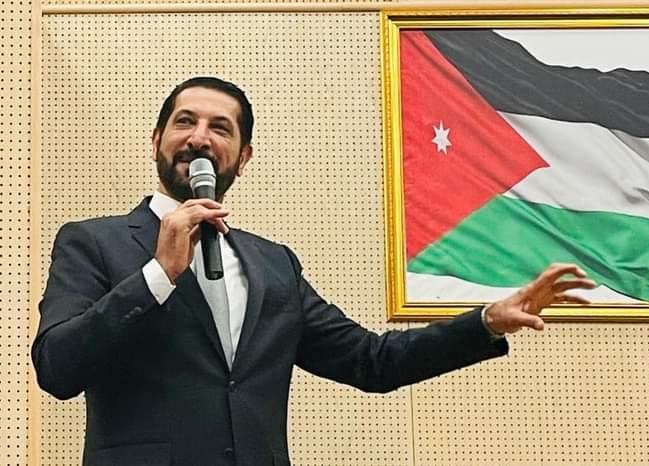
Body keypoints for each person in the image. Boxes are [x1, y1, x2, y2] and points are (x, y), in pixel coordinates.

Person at [32, 76, 596, 466]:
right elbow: (57, 368)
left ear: (243, 157)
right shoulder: (93, 243)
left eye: (220, 128)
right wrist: (157, 275)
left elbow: (372, 360)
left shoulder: (272, 264)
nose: (200, 137)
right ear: (157, 139)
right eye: (185, 122)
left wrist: (486, 322)